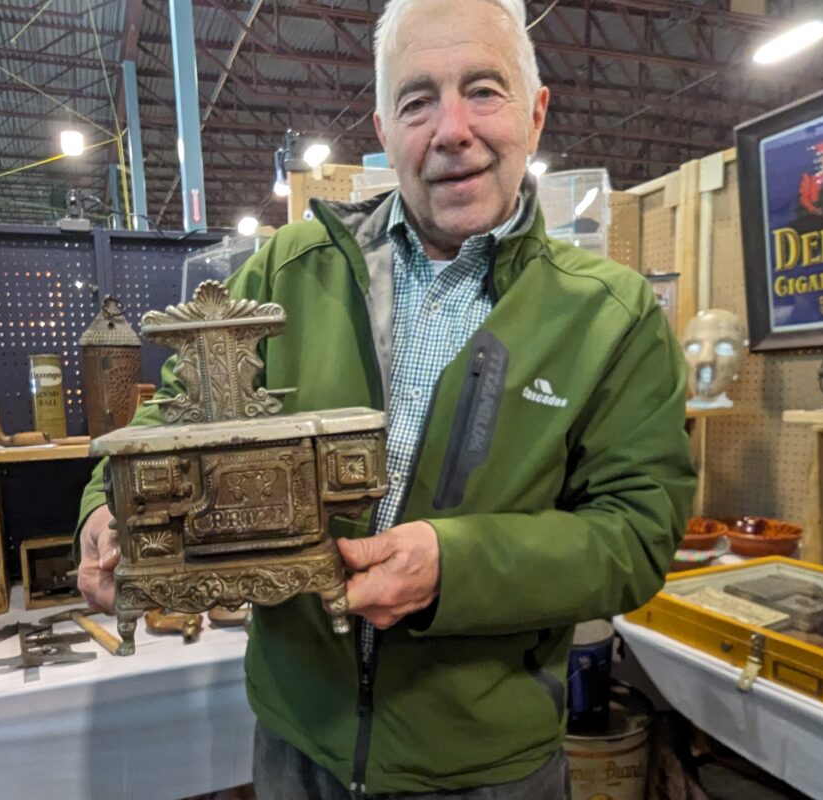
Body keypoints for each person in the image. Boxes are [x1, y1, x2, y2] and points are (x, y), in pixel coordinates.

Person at [76, 0, 695, 796]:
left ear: (535, 114)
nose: (452, 130)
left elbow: (638, 535)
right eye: (417, 101)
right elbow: (170, 413)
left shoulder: (610, 317)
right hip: (299, 747)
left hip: (484, 768)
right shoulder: (288, 270)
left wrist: (454, 567)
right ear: (383, 127)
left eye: (483, 90)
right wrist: (105, 511)